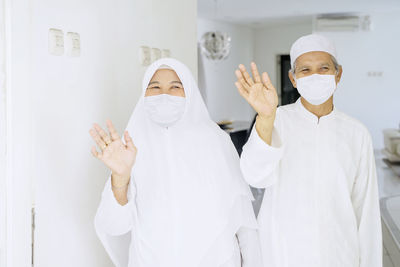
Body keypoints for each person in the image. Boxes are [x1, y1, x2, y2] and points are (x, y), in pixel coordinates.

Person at [89, 58, 263, 267]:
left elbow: (243, 221)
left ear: (189, 92)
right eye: (155, 87)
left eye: (175, 86)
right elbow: (114, 226)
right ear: (144, 93)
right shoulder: (129, 146)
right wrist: (120, 176)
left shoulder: (215, 141)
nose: (164, 94)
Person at [234, 34, 382, 267]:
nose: (315, 75)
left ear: (338, 74)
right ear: (293, 78)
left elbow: (367, 213)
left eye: (324, 68)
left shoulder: (357, 133)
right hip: (282, 251)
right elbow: (255, 176)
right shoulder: (275, 119)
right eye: (305, 70)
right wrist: (265, 117)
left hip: (339, 252)